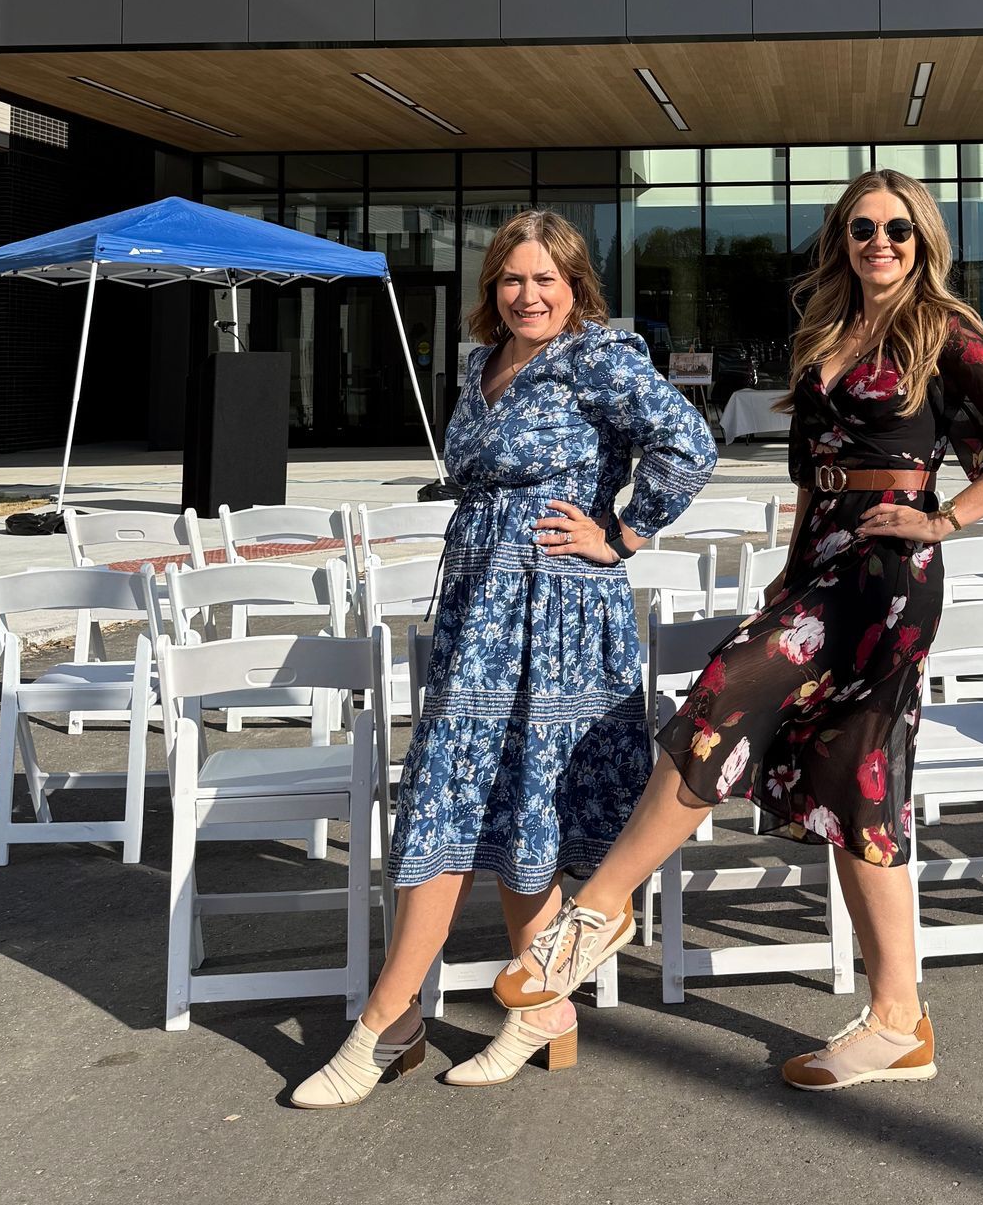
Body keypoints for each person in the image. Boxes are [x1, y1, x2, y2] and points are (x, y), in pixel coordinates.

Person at [491, 167, 983, 1092]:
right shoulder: (830, 337)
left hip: (888, 573)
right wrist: (790, 573)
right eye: (863, 228)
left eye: (899, 230)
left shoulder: (943, 332)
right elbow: (809, 477)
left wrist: (944, 519)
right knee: (851, 777)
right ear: (841, 239)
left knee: (726, 698)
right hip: (822, 561)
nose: (880, 242)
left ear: (925, 241)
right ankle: (899, 1020)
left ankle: (592, 917)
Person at [292, 210, 717, 1106]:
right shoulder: (482, 365)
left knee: (516, 799)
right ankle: (542, 1014)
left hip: (557, 609)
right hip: (475, 608)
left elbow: (691, 443)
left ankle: (382, 1023)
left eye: (547, 280)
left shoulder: (596, 354)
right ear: (493, 287)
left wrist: (626, 533)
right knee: (477, 799)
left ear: (575, 287)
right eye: (513, 279)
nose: (529, 295)